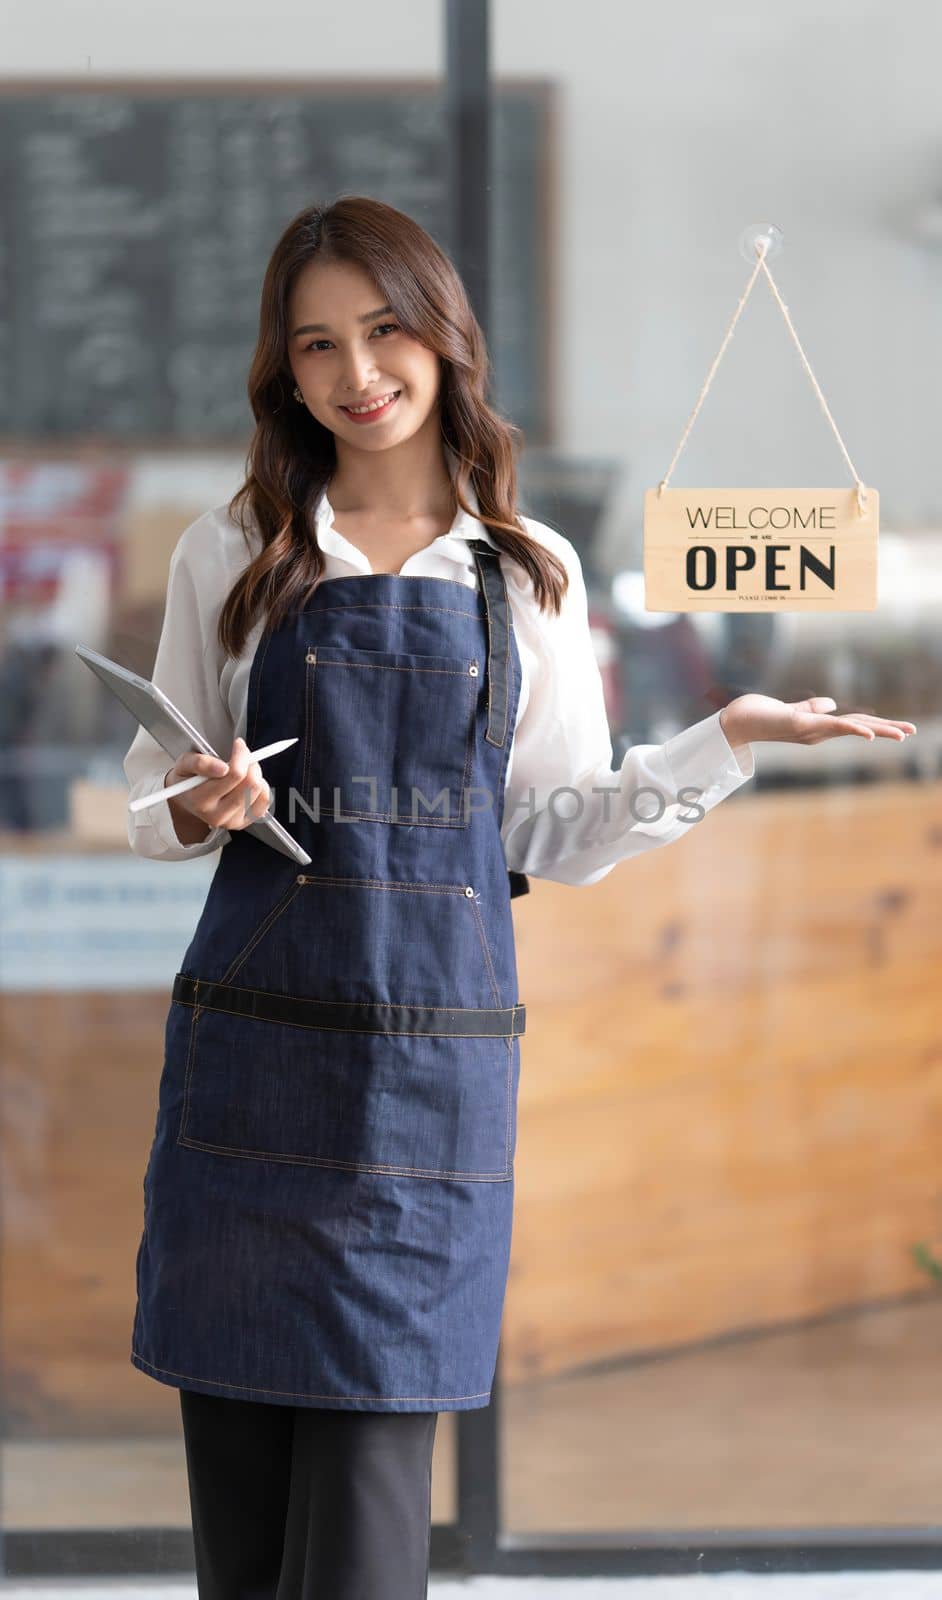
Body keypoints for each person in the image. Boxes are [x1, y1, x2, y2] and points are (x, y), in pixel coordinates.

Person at [122, 195, 915, 1600]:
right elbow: (154, 790)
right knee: (239, 1525)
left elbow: (553, 828)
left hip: (424, 1082)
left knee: (365, 1525)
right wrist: (202, 801)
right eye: (315, 344)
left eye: (380, 330)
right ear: (283, 370)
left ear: (439, 336)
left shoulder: (520, 570)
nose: (354, 372)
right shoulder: (229, 547)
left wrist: (722, 738)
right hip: (250, 1066)